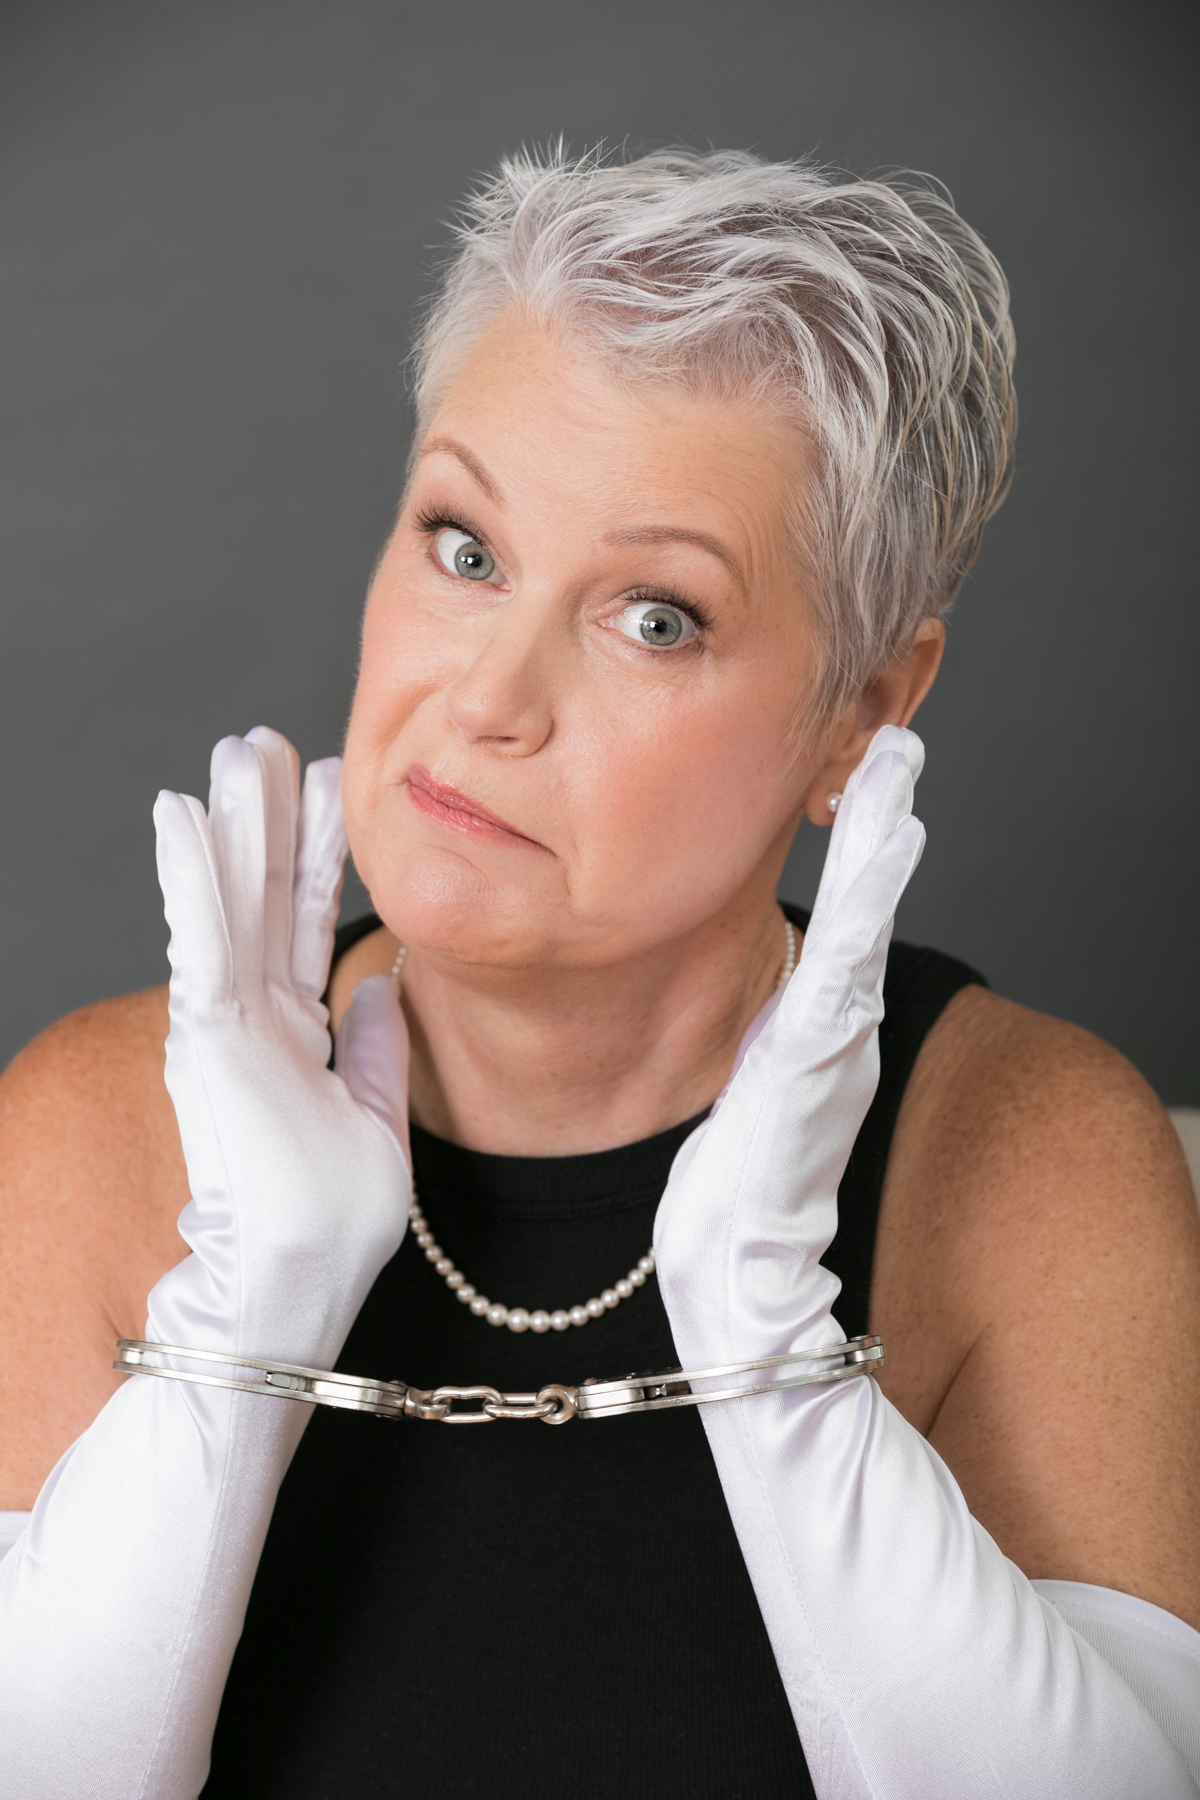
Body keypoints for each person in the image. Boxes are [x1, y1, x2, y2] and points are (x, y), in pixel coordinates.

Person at [0, 147, 1197, 1800]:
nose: (488, 698)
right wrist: (242, 1309)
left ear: (861, 715)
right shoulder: (89, 1129)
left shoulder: (1032, 1156)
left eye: (653, 617)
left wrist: (768, 1330)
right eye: (463, 544)